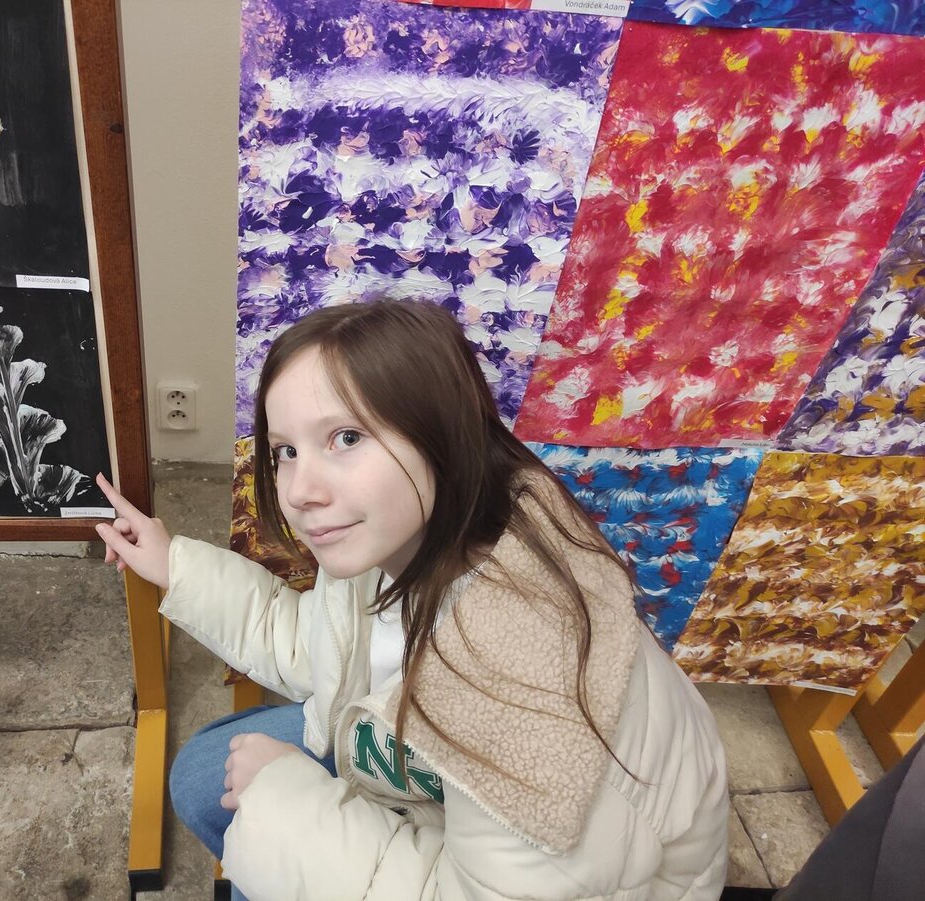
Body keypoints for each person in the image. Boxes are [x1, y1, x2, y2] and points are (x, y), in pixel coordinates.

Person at [95, 299, 729, 900]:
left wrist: (281, 803)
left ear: (440, 435)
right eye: (286, 450)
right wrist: (174, 565)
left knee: (247, 811)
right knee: (207, 772)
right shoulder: (405, 542)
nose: (300, 491)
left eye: (346, 437)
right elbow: (318, 648)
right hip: (438, 789)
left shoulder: (526, 675)